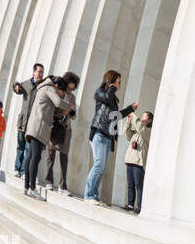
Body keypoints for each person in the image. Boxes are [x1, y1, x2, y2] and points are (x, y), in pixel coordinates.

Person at [84, 70, 137, 203]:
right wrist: (112, 87)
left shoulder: (112, 99)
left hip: (108, 136)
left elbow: (116, 116)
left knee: (101, 169)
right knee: (98, 165)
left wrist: (130, 108)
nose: (119, 85)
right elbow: (107, 97)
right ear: (111, 80)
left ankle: (94, 196)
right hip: (99, 133)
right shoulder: (100, 92)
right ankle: (88, 195)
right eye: (118, 81)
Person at [24, 72, 79, 200]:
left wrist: (69, 111)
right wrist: (70, 109)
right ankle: (32, 188)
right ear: (58, 87)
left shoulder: (44, 87)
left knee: (31, 156)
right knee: (36, 158)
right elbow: (58, 102)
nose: (66, 93)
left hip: (37, 126)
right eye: (64, 90)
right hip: (40, 127)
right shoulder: (50, 88)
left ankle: (27, 187)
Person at [13, 64, 45, 177]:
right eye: (39, 72)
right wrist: (16, 85)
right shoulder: (26, 84)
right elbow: (16, 86)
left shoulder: (42, 87)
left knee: (28, 149)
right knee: (20, 146)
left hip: (32, 124)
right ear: (34, 72)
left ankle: (23, 171)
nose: (41, 74)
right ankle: (17, 168)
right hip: (22, 122)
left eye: (42, 72)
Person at [43, 93, 75, 196]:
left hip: (66, 130)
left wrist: (69, 112)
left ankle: (62, 186)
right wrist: (62, 112)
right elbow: (52, 110)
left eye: (72, 88)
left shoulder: (72, 97)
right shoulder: (57, 94)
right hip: (54, 128)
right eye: (68, 88)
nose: (70, 91)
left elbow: (74, 115)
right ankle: (49, 181)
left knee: (64, 159)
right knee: (50, 156)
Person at [123, 111, 154, 213]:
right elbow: (127, 134)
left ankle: (140, 206)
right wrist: (128, 121)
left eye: (144, 116)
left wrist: (134, 116)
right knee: (130, 184)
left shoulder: (148, 131)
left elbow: (140, 128)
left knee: (138, 185)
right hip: (130, 160)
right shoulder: (136, 132)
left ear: (149, 120)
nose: (142, 118)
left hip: (138, 162)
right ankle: (130, 204)